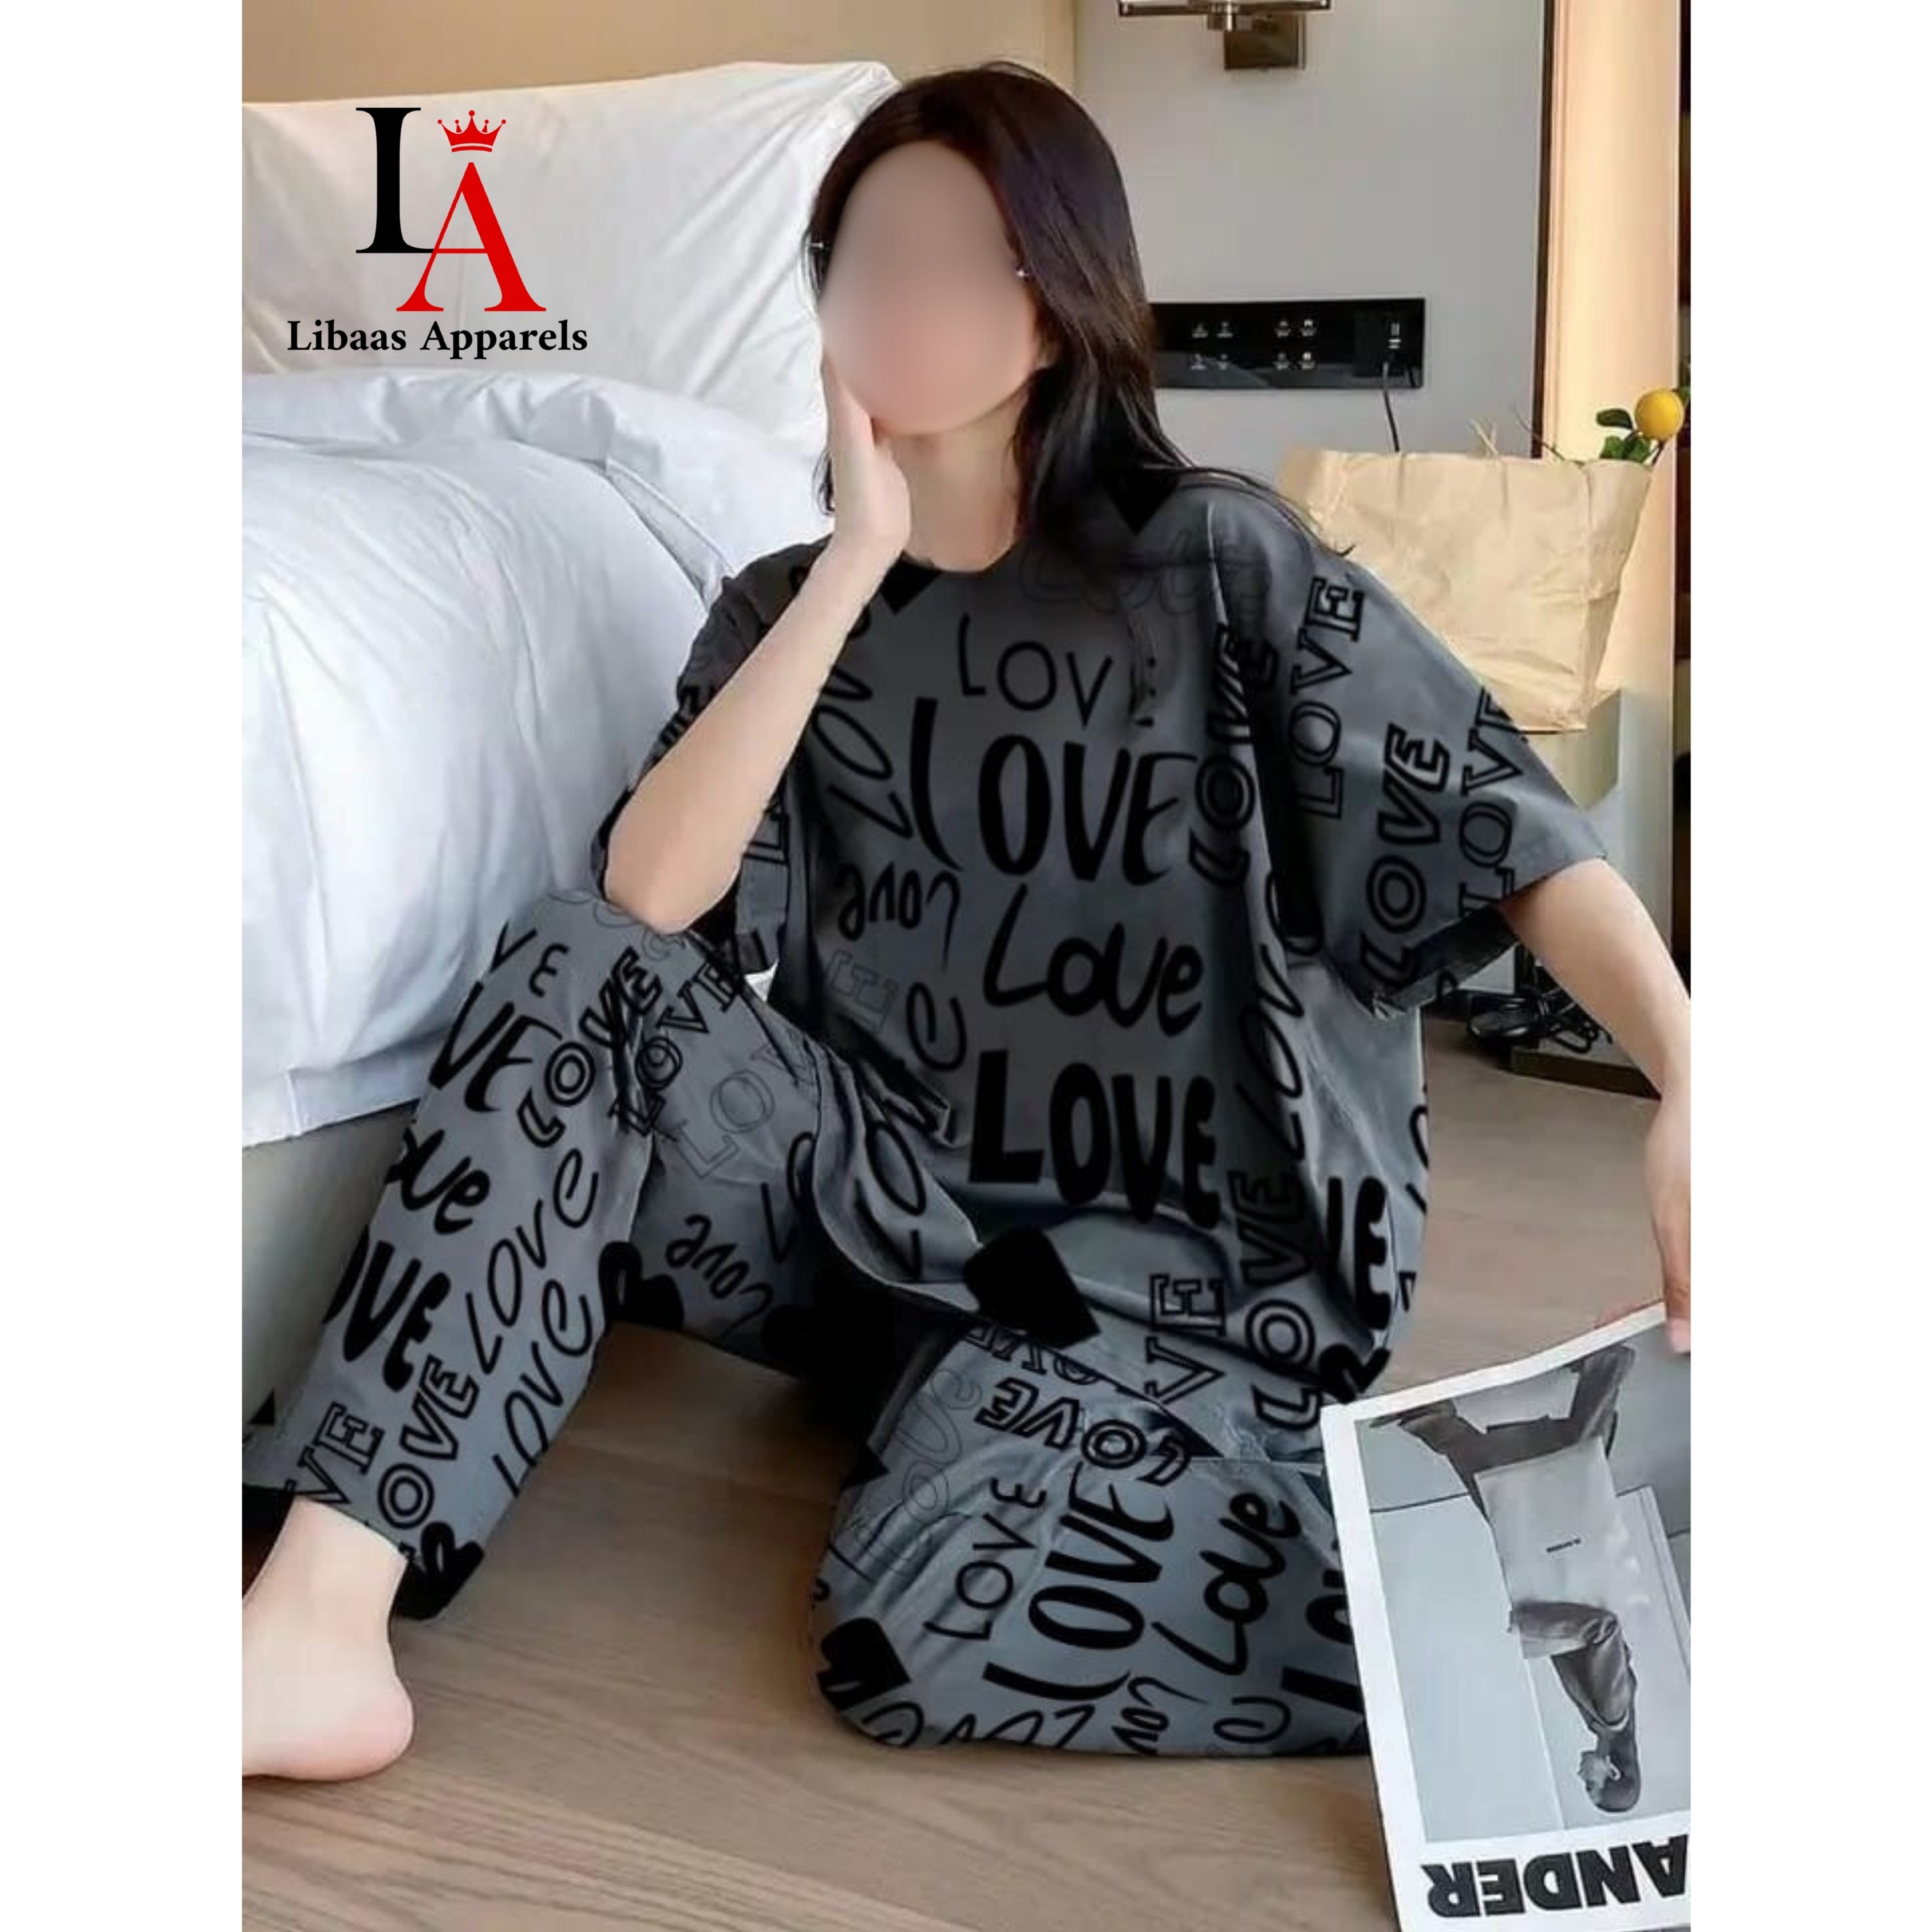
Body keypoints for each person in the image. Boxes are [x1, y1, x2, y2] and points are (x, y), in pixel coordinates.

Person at [242, 63, 1693, 1781]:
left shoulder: (1215, 562)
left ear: (1058, 295)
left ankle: (1601, 1618)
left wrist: (1690, 1075)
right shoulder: (779, 606)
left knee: (919, 1624)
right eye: (868, 259)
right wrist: (855, 563)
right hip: (878, 1224)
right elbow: (648, 903)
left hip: (1177, 1277)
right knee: (576, 965)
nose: (902, 300)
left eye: (959, 259)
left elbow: (1496, 818)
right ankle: (316, 1623)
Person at [1380, 1345, 1646, 1811]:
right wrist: (1532, 1622)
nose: (1581, 1777)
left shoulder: (1605, 1722)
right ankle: (1431, 1416)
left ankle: (1433, 1417)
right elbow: (1604, 1629)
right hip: (1564, 1582)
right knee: (1545, 1481)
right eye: (1590, 1785)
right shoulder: (1611, 1713)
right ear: (1612, 1772)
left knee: (1546, 1481)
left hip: (1566, 1577)